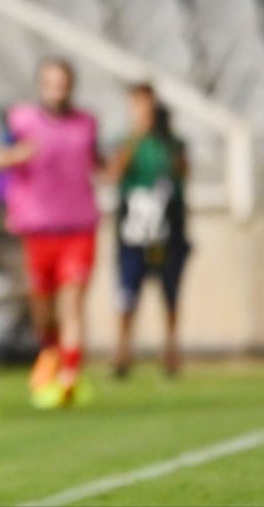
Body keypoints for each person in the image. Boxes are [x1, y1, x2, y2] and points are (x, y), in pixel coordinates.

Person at [0, 58, 102, 409]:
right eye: (51, 82)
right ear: (41, 86)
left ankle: (69, 374)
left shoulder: (86, 124)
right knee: (43, 309)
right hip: (37, 228)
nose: (58, 89)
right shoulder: (21, 121)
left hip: (78, 226)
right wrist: (17, 155)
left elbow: (100, 164)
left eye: (63, 82)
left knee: (72, 302)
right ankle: (50, 353)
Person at [107, 83, 190, 378]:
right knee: (128, 289)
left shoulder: (172, 142)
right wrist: (134, 139)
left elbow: (183, 174)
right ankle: (123, 350)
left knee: (170, 289)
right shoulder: (125, 141)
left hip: (166, 229)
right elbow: (114, 174)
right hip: (133, 229)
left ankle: (170, 349)